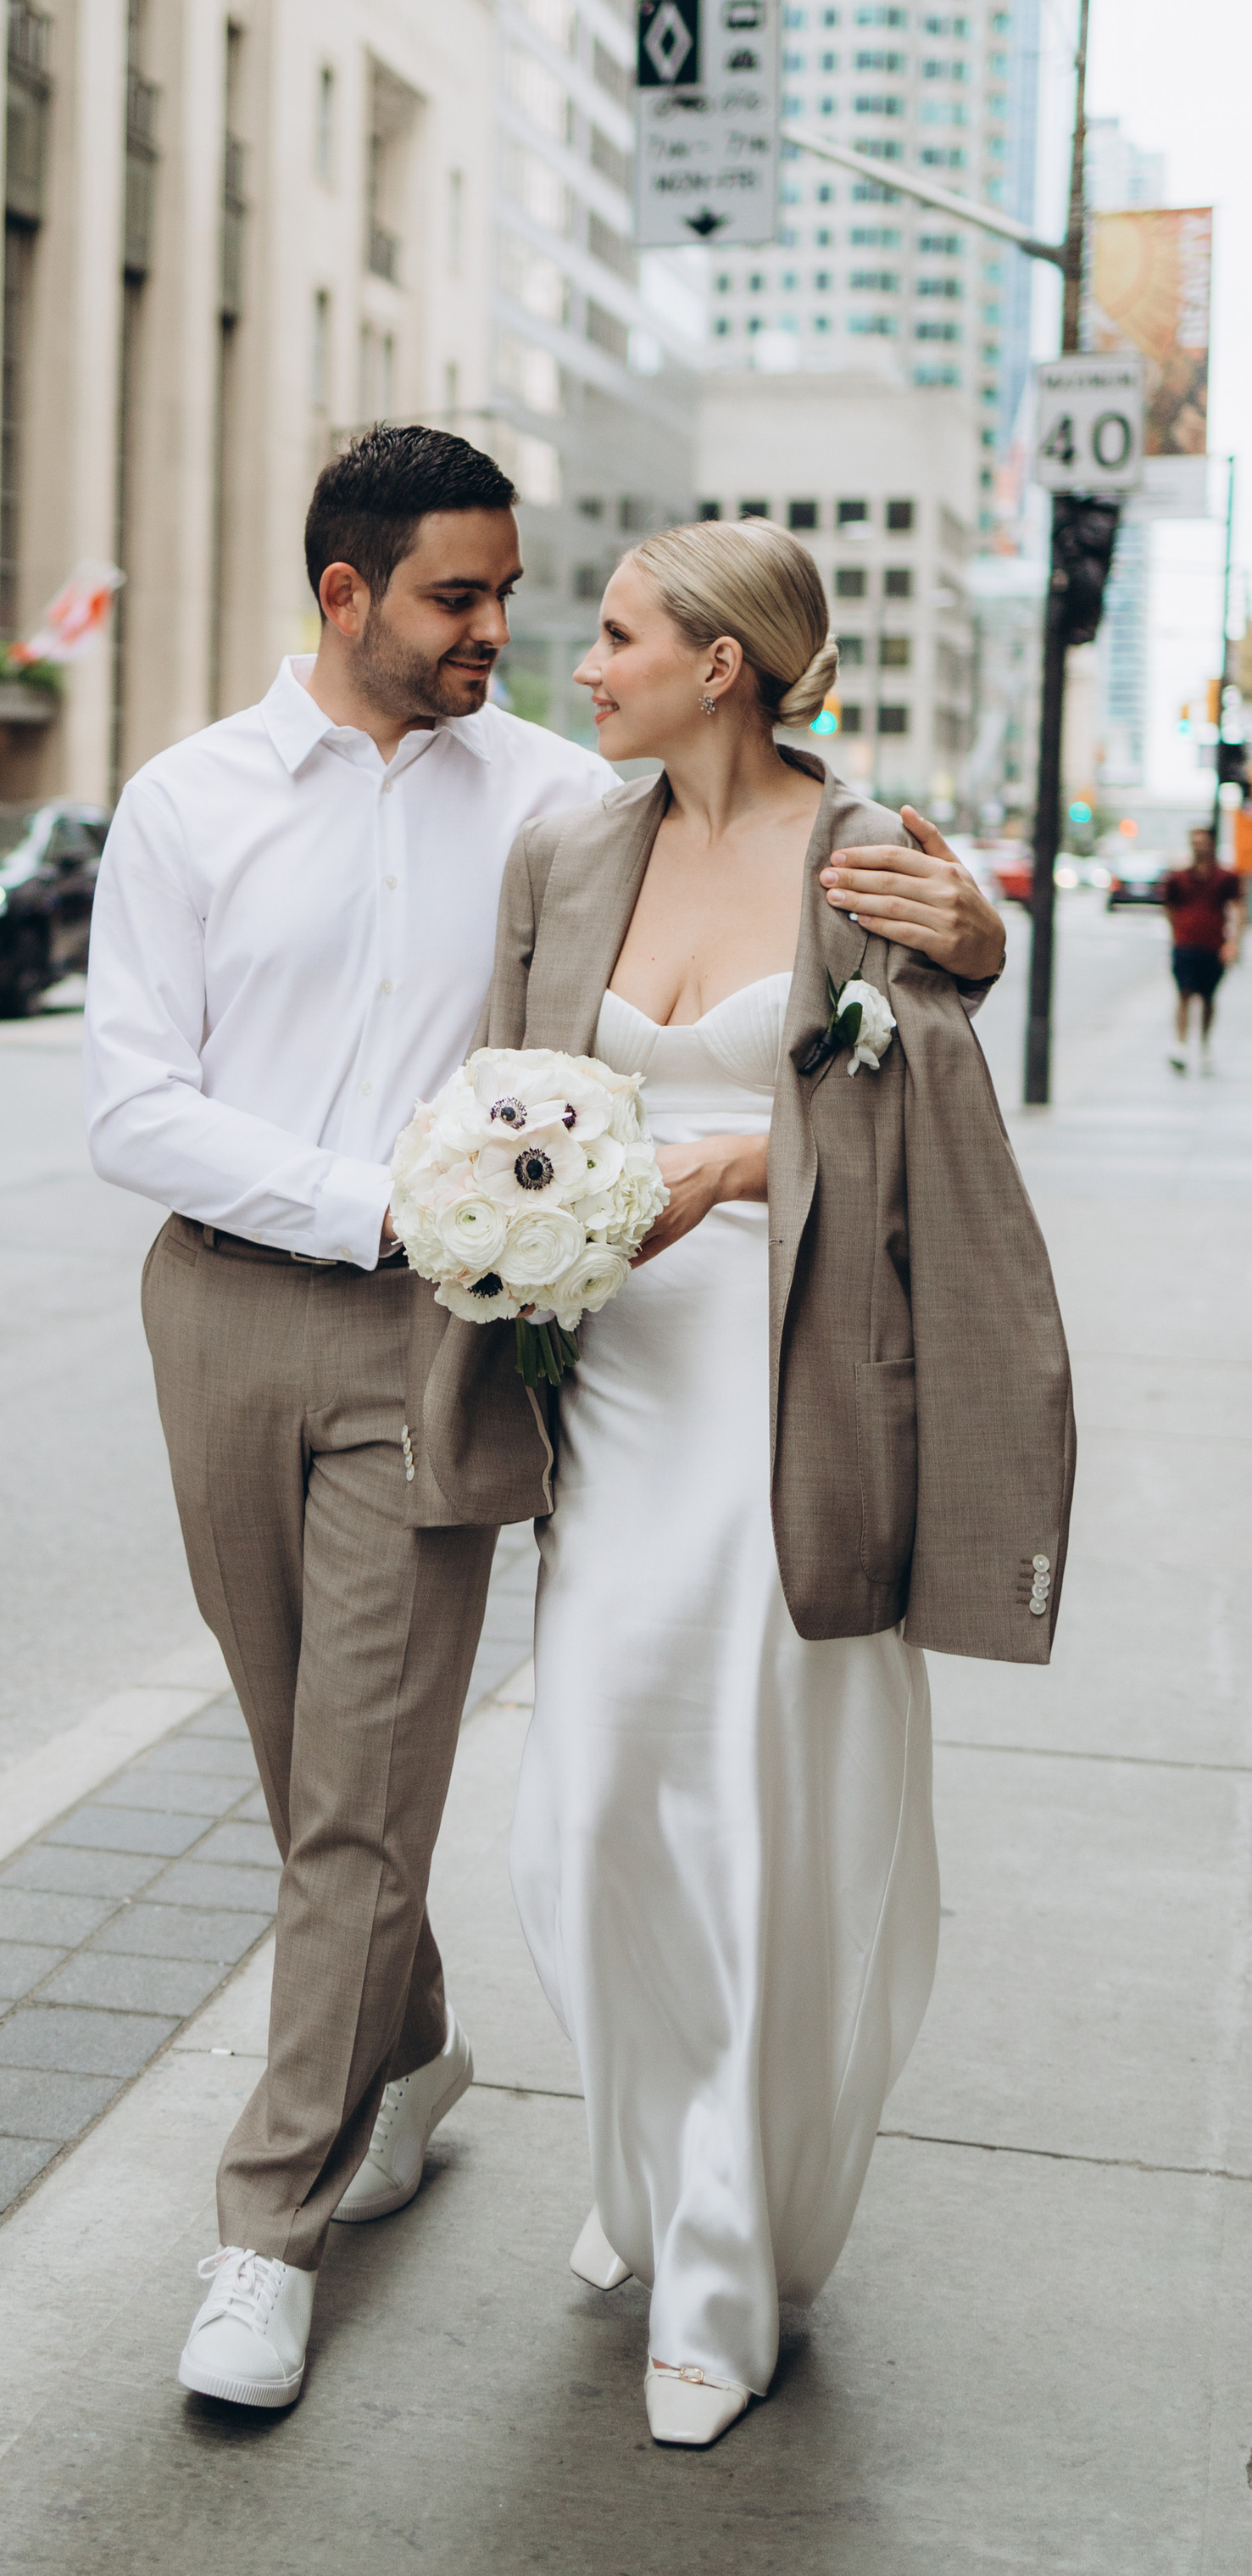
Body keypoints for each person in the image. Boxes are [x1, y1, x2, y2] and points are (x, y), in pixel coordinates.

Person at [83, 434, 1007, 2413]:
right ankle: (409, 2047)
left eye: (541, 606)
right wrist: (385, 1205)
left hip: (483, 1333)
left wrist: (977, 931)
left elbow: (897, 966)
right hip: (251, 1312)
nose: (509, 638)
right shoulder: (197, 802)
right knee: (316, 1767)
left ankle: (268, 2231)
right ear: (344, 596)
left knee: (374, 1800)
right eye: (458, 600)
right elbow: (129, 1104)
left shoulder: (556, 787)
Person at [415, 520, 1071, 2450]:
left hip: (786, 1394)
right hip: (601, 1382)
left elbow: (913, 1128)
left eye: (611, 631)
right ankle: (651, 2165)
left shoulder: (861, 849)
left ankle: (719, 2261)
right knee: (585, 1809)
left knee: (751, 1813)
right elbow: (505, 1086)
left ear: (718, 660)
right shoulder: (566, 848)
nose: (577, 653)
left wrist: (733, 1162)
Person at [1163, 823, 1241, 1073]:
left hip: (1213, 945)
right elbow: (1169, 908)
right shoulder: (1178, 878)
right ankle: (1181, 1045)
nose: (1199, 847)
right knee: (1184, 993)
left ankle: (1205, 1046)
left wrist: (1233, 942)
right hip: (1186, 943)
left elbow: (1237, 908)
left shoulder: (1226, 878)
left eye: (1203, 842)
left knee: (1208, 997)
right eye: (1194, 843)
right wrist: (1177, 932)